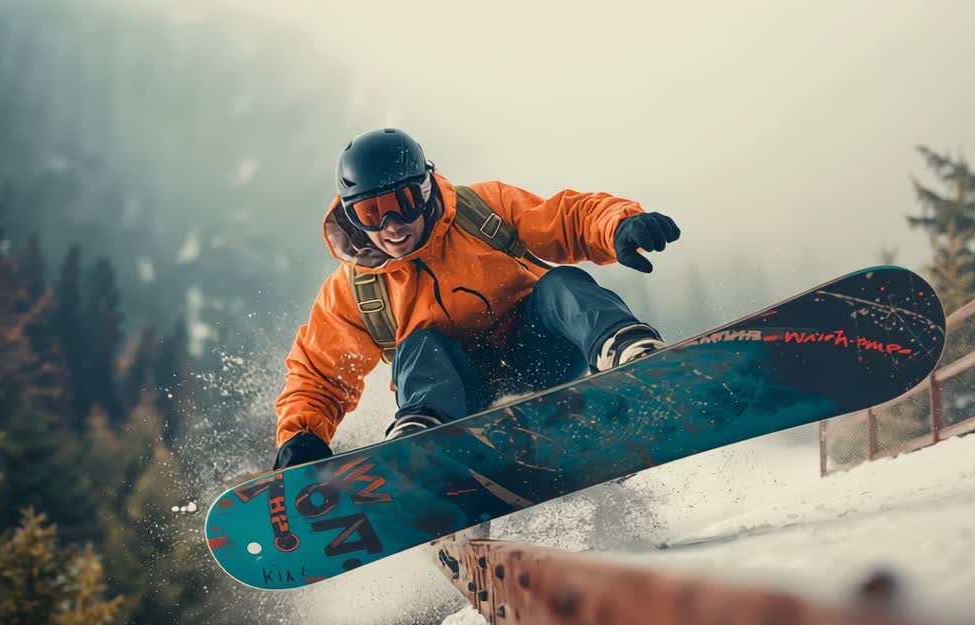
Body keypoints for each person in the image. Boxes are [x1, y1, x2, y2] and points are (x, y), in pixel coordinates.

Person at [272, 128, 681, 470]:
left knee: (561, 284)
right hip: (458, 399)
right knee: (417, 345)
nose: (391, 225)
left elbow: (566, 218)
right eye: (370, 212)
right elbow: (319, 375)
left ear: (426, 189)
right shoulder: (354, 290)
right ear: (350, 215)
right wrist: (302, 437)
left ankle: (631, 353)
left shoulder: (482, 211)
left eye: (403, 204)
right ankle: (423, 436)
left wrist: (619, 225)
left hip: (542, 356)